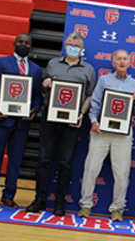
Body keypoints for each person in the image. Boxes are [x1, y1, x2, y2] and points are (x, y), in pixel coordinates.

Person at [27, 32, 96, 215]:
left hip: (72, 122)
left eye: (76, 45)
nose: (72, 47)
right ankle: (39, 199)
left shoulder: (88, 69)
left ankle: (59, 202)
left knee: (65, 162)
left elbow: (90, 95)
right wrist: (46, 84)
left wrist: (81, 113)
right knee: (44, 160)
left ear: (82, 49)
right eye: (70, 44)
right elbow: (42, 88)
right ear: (65, 45)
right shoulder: (53, 64)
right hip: (49, 118)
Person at [77, 49, 135, 222]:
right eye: (118, 59)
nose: (122, 62)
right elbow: (95, 102)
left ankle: (117, 209)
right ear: (113, 63)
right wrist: (93, 121)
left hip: (122, 134)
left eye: (125, 59)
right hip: (101, 131)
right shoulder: (104, 80)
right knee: (91, 168)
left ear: (129, 63)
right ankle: (85, 205)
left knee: (122, 173)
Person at [0, 33, 43, 210]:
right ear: (14, 44)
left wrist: (34, 109)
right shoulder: (1, 63)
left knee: (16, 161)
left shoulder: (36, 70)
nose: (23, 45)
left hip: (21, 123)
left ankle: (9, 195)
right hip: (1, 120)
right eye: (20, 42)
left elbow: (37, 96)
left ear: (31, 47)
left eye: (27, 43)